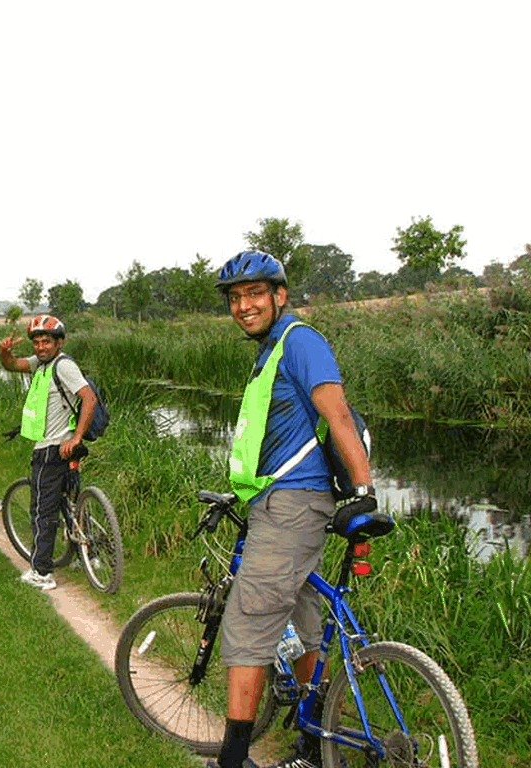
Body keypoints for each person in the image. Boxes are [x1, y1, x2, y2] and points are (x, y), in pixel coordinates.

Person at [207, 251, 377, 768]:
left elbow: (338, 414)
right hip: (279, 503)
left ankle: (232, 759)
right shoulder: (271, 349)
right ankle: (314, 738)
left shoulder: (300, 341)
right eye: (235, 298)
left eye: (255, 294)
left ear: (280, 296)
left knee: (248, 626)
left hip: (290, 508)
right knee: (305, 621)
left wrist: (365, 490)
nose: (244, 306)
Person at [0, 314, 97, 591]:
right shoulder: (40, 365)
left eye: (46, 342)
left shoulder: (62, 366)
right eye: (37, 342)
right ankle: (88, 556)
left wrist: (76, 436)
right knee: (72, 503)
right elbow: (11, 365)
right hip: (60, 448)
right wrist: (4, 352)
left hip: (53, 449)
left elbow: (89, 397)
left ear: (59, 342)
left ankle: (42, 572)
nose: (41, 347)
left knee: (42, 511)